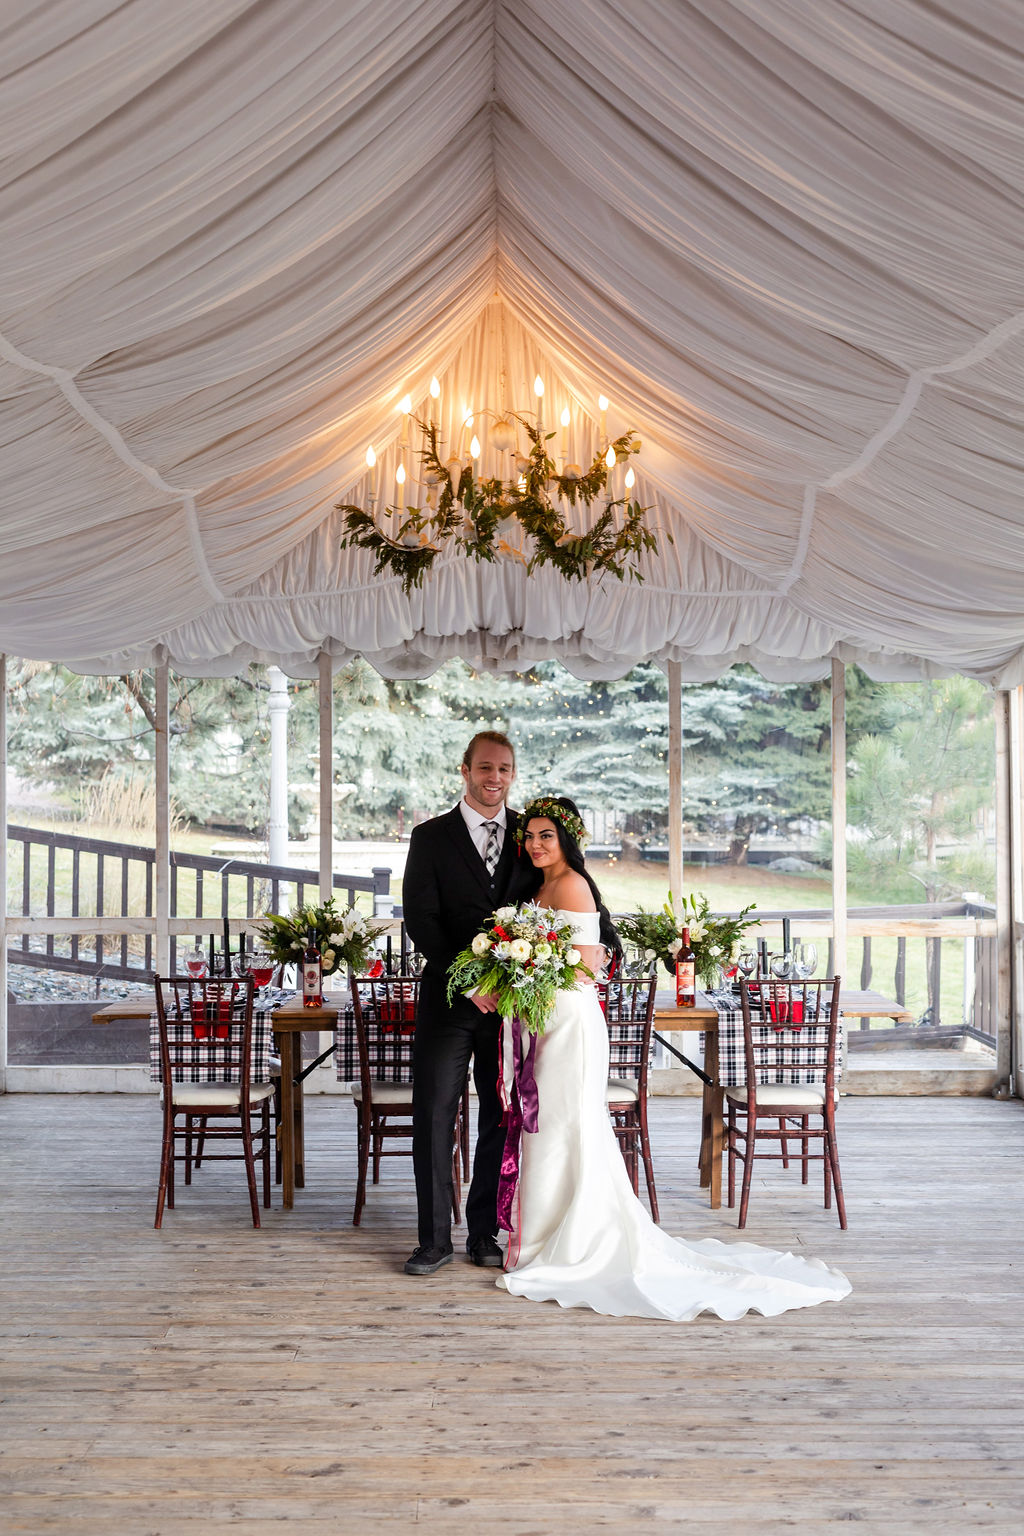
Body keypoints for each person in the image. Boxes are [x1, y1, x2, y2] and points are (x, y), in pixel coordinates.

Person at [496, 796, 852, 1320]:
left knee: (567, 1125)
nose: (534, 844)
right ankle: (544, 1237)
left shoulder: (571, 885)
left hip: (569, 1020)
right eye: (528, 836)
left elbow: (587, 969)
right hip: (546, 1019)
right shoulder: (540, 885)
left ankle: (573, 1242)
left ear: (567, 837)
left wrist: (529, 966)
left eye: (545, 835)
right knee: (547, 1126)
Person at [401, 731, 529, 1275]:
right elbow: (420, 920)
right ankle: (433, 1241)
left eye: (503, 769)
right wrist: (469, 978)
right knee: (433, 1116)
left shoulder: (530, 835)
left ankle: (483, 1234)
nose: (493, 778)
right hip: (449, 1003)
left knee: (499, 1119)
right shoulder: (430, 837)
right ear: (465, 769)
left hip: (511, 1007)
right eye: (484, 767)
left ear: (512, 774)